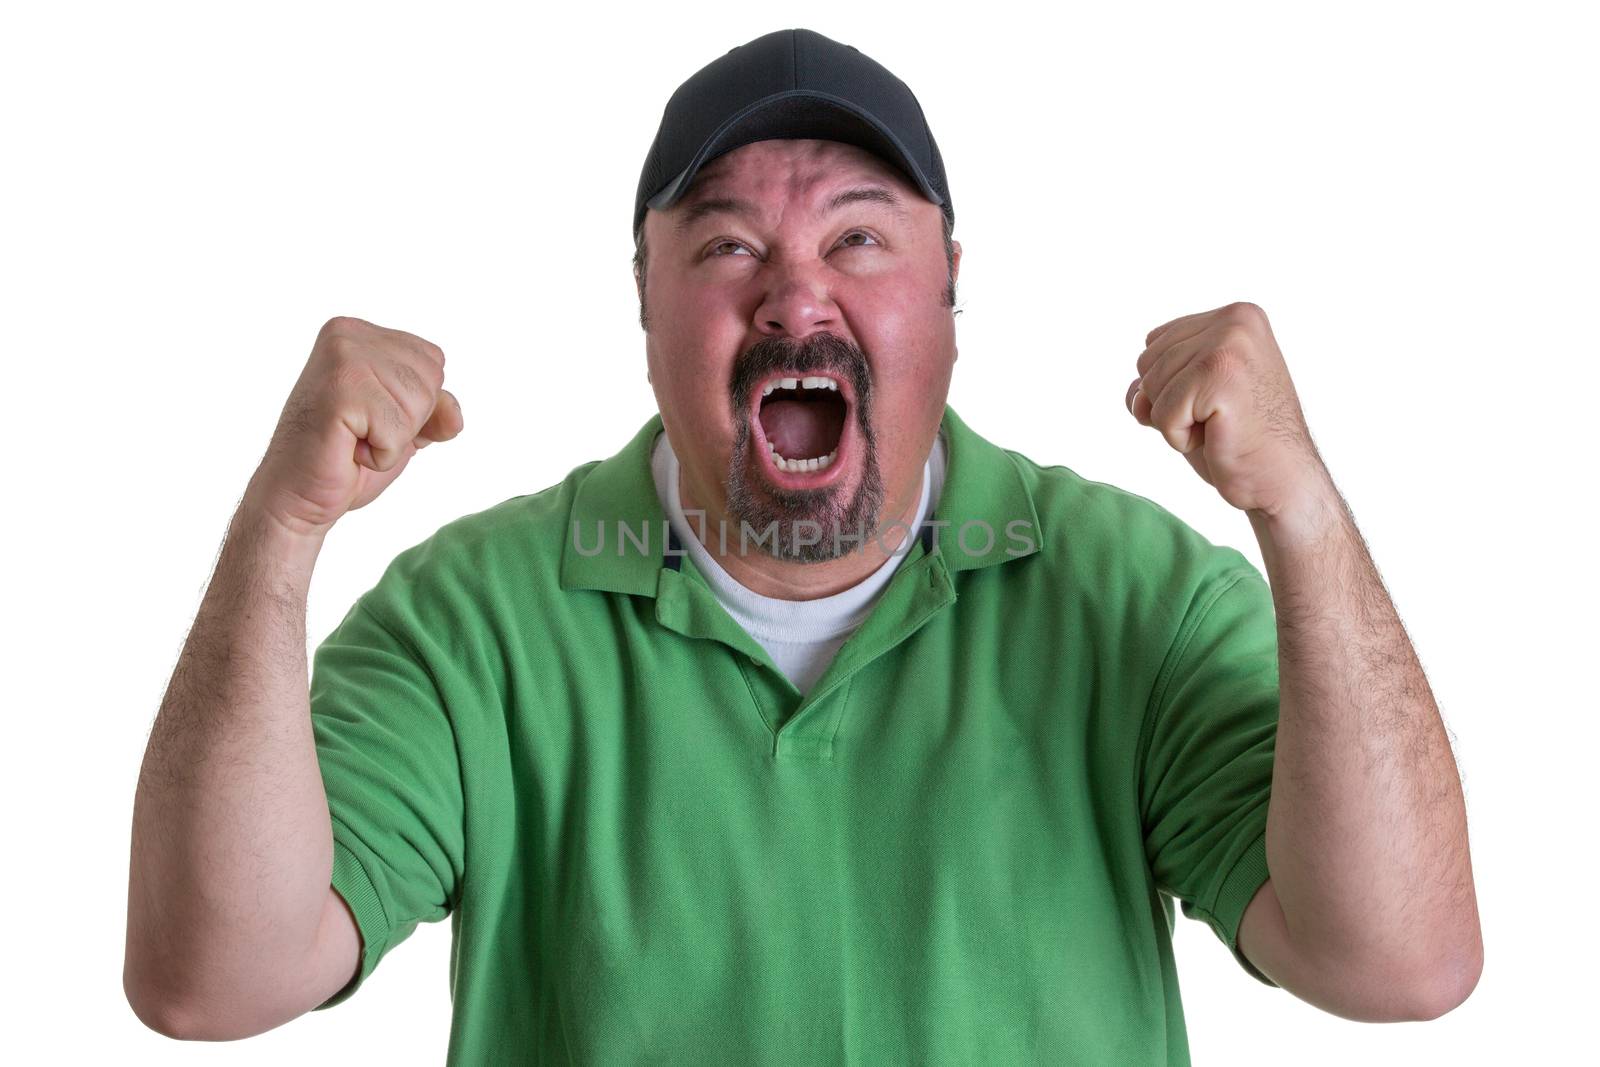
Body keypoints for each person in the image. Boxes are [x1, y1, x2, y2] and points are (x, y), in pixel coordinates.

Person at [124, 27, 1482, 1065]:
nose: (796, 295)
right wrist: (284, 526)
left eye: (859, 238)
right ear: (644, 308)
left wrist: (1299, 506)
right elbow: (210, 982)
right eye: (725, 245)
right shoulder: (471, 620)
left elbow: (1401, 965)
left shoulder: (1138, 593)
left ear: (950, 297)